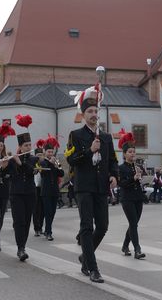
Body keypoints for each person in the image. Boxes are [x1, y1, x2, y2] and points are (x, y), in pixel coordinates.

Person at [66, 84, 118, 283]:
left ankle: (85, 256)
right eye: (90, 111)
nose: (94, 114)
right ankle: (93, 268)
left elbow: (112, 160)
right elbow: (71, 160)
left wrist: (114, 176)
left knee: (103, 226)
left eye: (96, 111)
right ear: (83, 114)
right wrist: (89, 150)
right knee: (86, 226)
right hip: (84, 186)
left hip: (100, 187)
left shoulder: (105, 137)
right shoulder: (76, 135)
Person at [3, 116, 37, 261]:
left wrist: (20, 163)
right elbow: (5, 174)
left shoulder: (34, 159)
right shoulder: (13, 160)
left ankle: (23, 245)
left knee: (27, 221)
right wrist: (4, 166)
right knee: (19, 221)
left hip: (30, 193)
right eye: (26, 145)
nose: (29, 148)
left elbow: (31, 171)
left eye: (30, 145)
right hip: (16, 194)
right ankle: (20, 248)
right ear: (21, 147)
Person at [117, 130, 146, 259]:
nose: (132, 154)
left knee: (134, 224)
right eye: (130, 152)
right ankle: (137, 250)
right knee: (133, 223)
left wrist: (140, 177)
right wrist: (133, 178)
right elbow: (122, 184)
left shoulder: (137, 166)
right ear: (124, 154)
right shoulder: (121, 168)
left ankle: (125, 245)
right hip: (127, 198)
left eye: (134, 151)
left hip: (137, 198)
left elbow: (138, 183)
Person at [39, 134, 65, 241]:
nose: (50, 153)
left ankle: (47, 229)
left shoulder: (56, 161)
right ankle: (48, 232)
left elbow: (61, 173)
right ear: (44, 152)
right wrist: (51, 164)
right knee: (48, 211)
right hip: (45, 191)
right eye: (48, 152)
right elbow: (43, 173)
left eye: (52, 151)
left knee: (53, 212)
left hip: (54, 190)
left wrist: (55, 165)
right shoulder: (42, 162)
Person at [32, 140, 45, 237]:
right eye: (38, 155)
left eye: (41, 154)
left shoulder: (44, 163)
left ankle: (40, 226)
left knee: (43, 209)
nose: (40, 156)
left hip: (43, 188)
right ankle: (36, 228)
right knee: (36, 209)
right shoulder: (32, 163)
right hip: (34, 188)